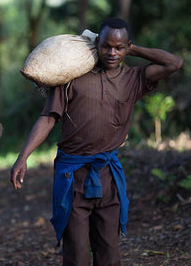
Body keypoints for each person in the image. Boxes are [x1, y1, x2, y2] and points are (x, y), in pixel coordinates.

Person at [10, 18, 183, 266]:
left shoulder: (133, 79)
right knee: (77, 254)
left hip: (108, 176)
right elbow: (48, 119)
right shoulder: (72, 78)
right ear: (96, 43)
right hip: (73, 177)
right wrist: (22, 157)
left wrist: (133, 49)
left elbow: (174, 63)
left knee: (109, 253)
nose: (112, 53)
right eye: (106, 46)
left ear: (127, 47)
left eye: (119, 47)